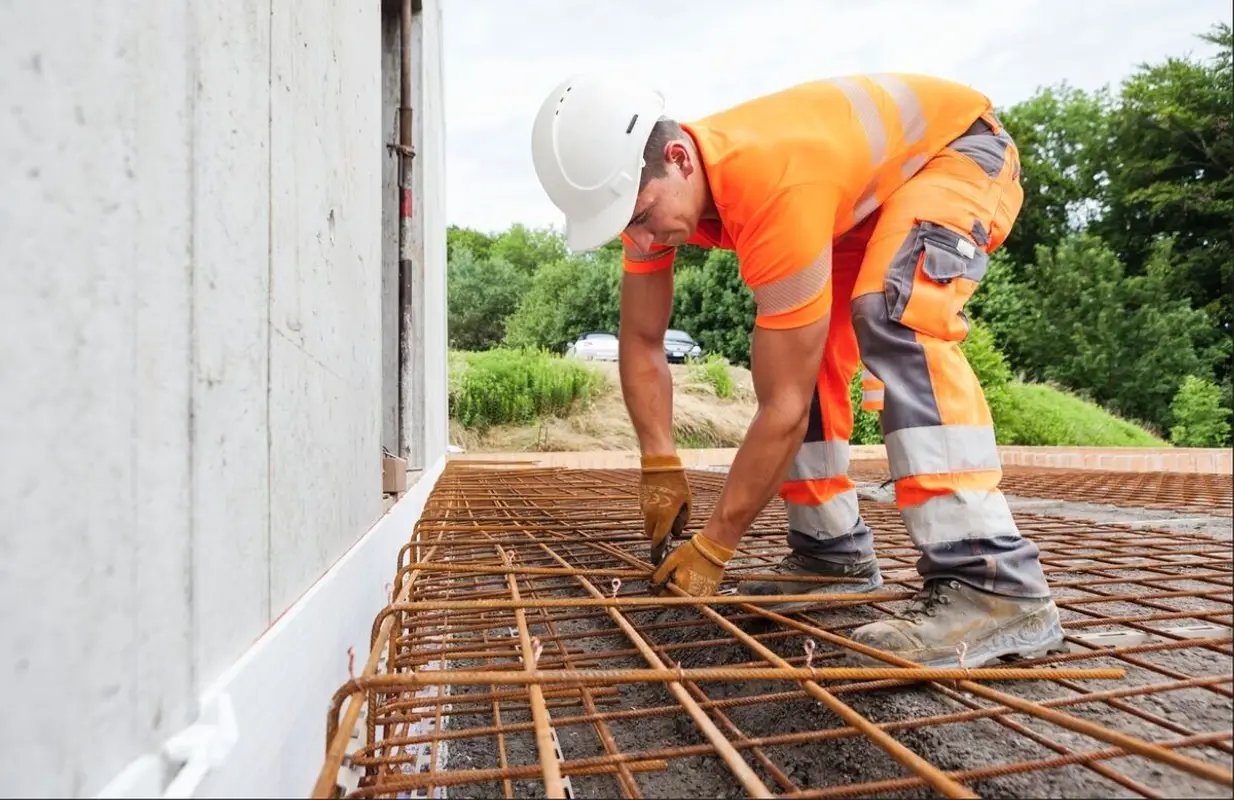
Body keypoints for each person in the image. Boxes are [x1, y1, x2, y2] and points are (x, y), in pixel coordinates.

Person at [529, 72, 1064, 668]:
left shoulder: (772, 184)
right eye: (625, 225)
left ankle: (993, 581)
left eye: (642, 215)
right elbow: (643, 339)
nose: (641, 237)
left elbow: (780, 411)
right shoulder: (650, 203)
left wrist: (715, 546)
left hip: (958, 153)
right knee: (808, 360)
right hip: (865, 198)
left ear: (678, 158)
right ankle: (829, 552)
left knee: (895, 311)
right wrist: (659, 460)